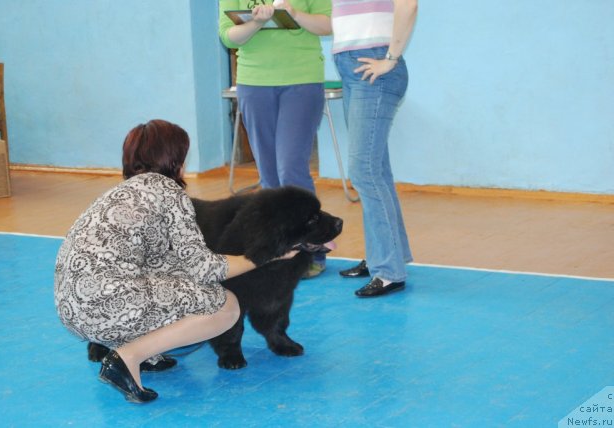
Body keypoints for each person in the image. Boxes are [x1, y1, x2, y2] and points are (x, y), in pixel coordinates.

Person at [54, 119, 296, 403]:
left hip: (72, 310)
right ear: (174, 158)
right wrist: (266, 256)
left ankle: (142, 352)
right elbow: (206, 269)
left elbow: (160, 265)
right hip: (109, 307)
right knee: (225, 305)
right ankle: (127, 358)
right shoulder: (170, 194)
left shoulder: (118, 193)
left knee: (172, 287)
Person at [218, 0, 332, 278]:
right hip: (254, 82)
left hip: (302, 80)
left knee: (291, 167)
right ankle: (280, 249)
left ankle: (311, 250)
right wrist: (256, 22)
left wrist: (292, 13)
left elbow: (328, 24)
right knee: (268, 174)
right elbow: (227, 35)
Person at [331, 0, 418, 297]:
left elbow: (408, 5)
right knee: (375, 171)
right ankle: (385, 256)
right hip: (351, 67)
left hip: (374, 66)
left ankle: (389, 270)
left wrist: (391, 57)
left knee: (364, 171)